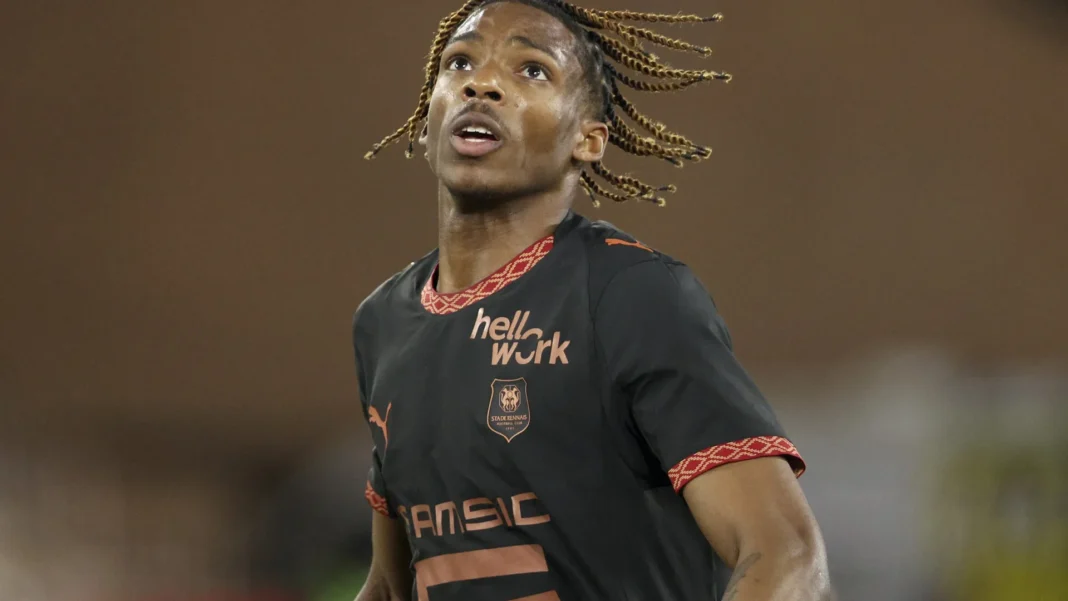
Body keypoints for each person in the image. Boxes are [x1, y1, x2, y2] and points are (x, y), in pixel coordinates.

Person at [352, 1, 832, 599]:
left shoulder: (630, 294)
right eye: (460, 63)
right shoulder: (383, 323)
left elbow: (786, 556)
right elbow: (391, 583)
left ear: (588, 139)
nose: (481, 84)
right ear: (427, 123)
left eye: (532, 70)